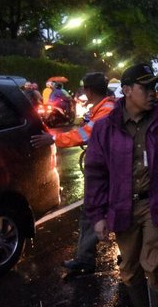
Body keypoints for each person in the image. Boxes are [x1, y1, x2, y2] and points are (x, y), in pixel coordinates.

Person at [84, 63, 158, 307]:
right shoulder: (106, 128)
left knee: (155, 262)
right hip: (123, 207)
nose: (153, 93)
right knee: (128, 267)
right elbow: (96, 173)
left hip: (156, 204)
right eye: (146, 87)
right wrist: (97, 216)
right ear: (126, 90)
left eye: (154, 87)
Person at [30, 73, 116, 274]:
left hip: (108, 172)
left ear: (88, 90)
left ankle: (115, 257)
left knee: (99, 211)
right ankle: (87, 257)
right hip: (105, 170)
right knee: (93, 211)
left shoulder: (107, 110)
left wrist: (53, 139)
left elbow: (86, 133)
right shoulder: (104, 107)